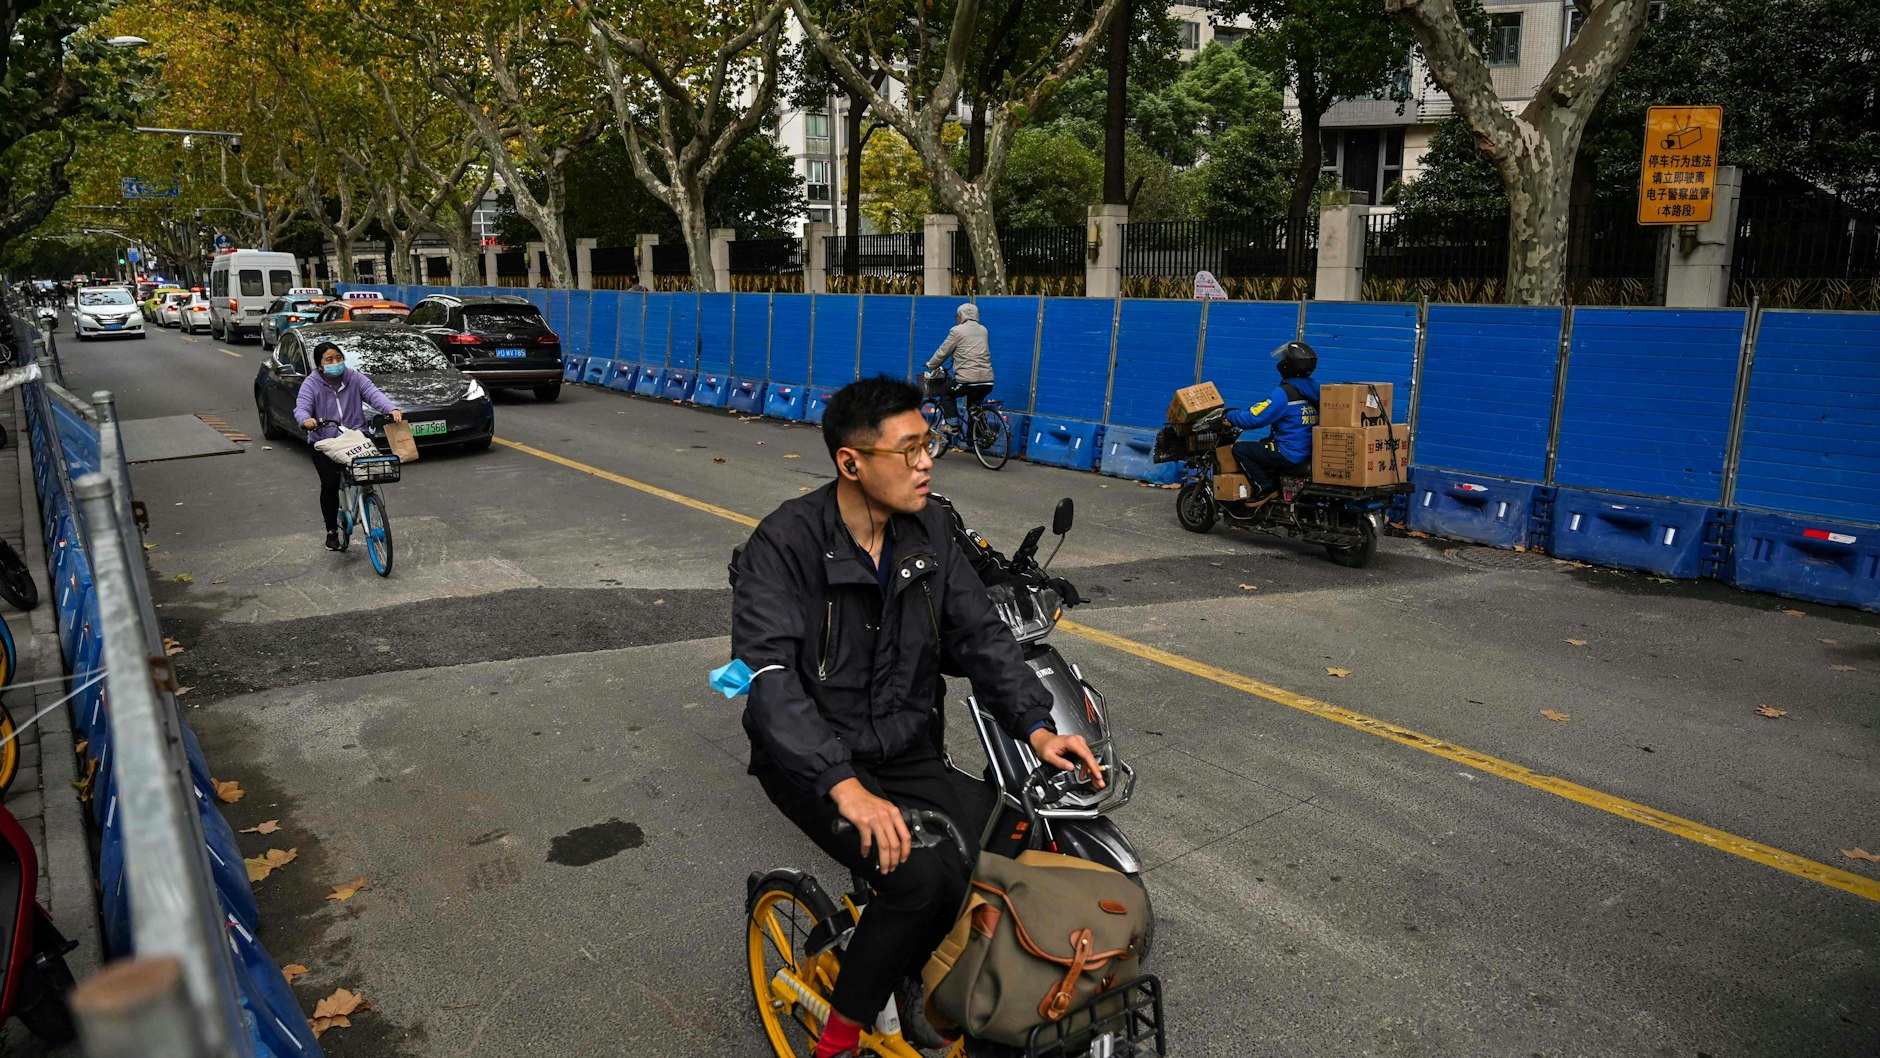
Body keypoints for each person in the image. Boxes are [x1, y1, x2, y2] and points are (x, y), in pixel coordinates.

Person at [730, 376, 1102, 1058]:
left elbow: (980, 635)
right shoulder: (784, 544)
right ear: (851, 462)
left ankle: (911, 977)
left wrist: (1038, 728)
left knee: (995, 845)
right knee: (918, 879)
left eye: (928, 445)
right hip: (814, 762)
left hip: (905, 746)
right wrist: (845, 787)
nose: (926, 462)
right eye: (908, 450)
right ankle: (838, 1040)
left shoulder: (930, 529)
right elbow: (768, 679)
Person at [293, 341, 403, 551]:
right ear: (320, 365)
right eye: (329, 359)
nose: (336, 362)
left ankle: (367, 500)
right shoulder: (311, 383)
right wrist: (306, 420)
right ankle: (331, 531)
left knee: (369, 474)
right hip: (325, 441)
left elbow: (373, 394)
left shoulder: (354, 377)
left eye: (338, 357)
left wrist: (391, 409)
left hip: (355, 437)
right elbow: (302, 407)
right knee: (330, 485)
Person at [1227, 340, 1321, 504]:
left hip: (1289, 453)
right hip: (1307, 451)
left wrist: (1229, 415)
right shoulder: (1315, 388)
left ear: (1288, 365)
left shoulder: (1284, 393)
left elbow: (1253, 419)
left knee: (1241, 449)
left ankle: (1265, 488)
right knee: (1263, 444)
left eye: (1283, 358)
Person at [923, 303, 992, 433]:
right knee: (973, 408)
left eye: (958, 315)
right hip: (987, 381)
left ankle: (952, 426)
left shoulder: (957, 331)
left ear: (962, 316)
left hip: (967, 380)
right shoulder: (983, 330)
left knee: (945, 392)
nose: (957, 318)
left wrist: (931, 365)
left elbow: (943, 352)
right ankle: (977, 437)